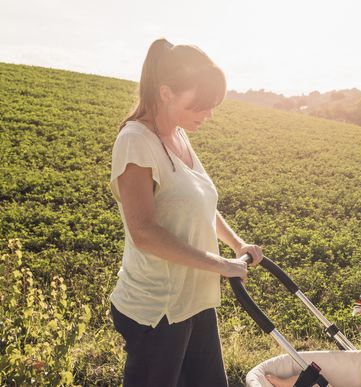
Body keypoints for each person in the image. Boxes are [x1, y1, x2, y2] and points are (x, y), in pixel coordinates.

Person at [108, 37, 263, 387]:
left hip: (196, 299)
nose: (208, 115)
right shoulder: (135, 142)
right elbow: (143, 232)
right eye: (201, 105)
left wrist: (238, 245)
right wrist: (221, 265)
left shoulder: (178, 135)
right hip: (158, 311)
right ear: (166, 93)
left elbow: (202, 203)